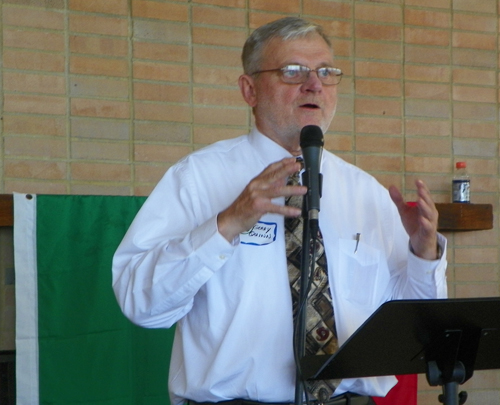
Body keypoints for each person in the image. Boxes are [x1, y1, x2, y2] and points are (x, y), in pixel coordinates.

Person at [112, 17, 447, 405]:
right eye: (292, 71)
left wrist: (423, 256)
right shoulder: (197, 178)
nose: (314, 84)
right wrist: (226, 224)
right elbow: (141, 303)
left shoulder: (366, 192)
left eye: (325, 72)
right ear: (249, 89)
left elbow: (412, 327)